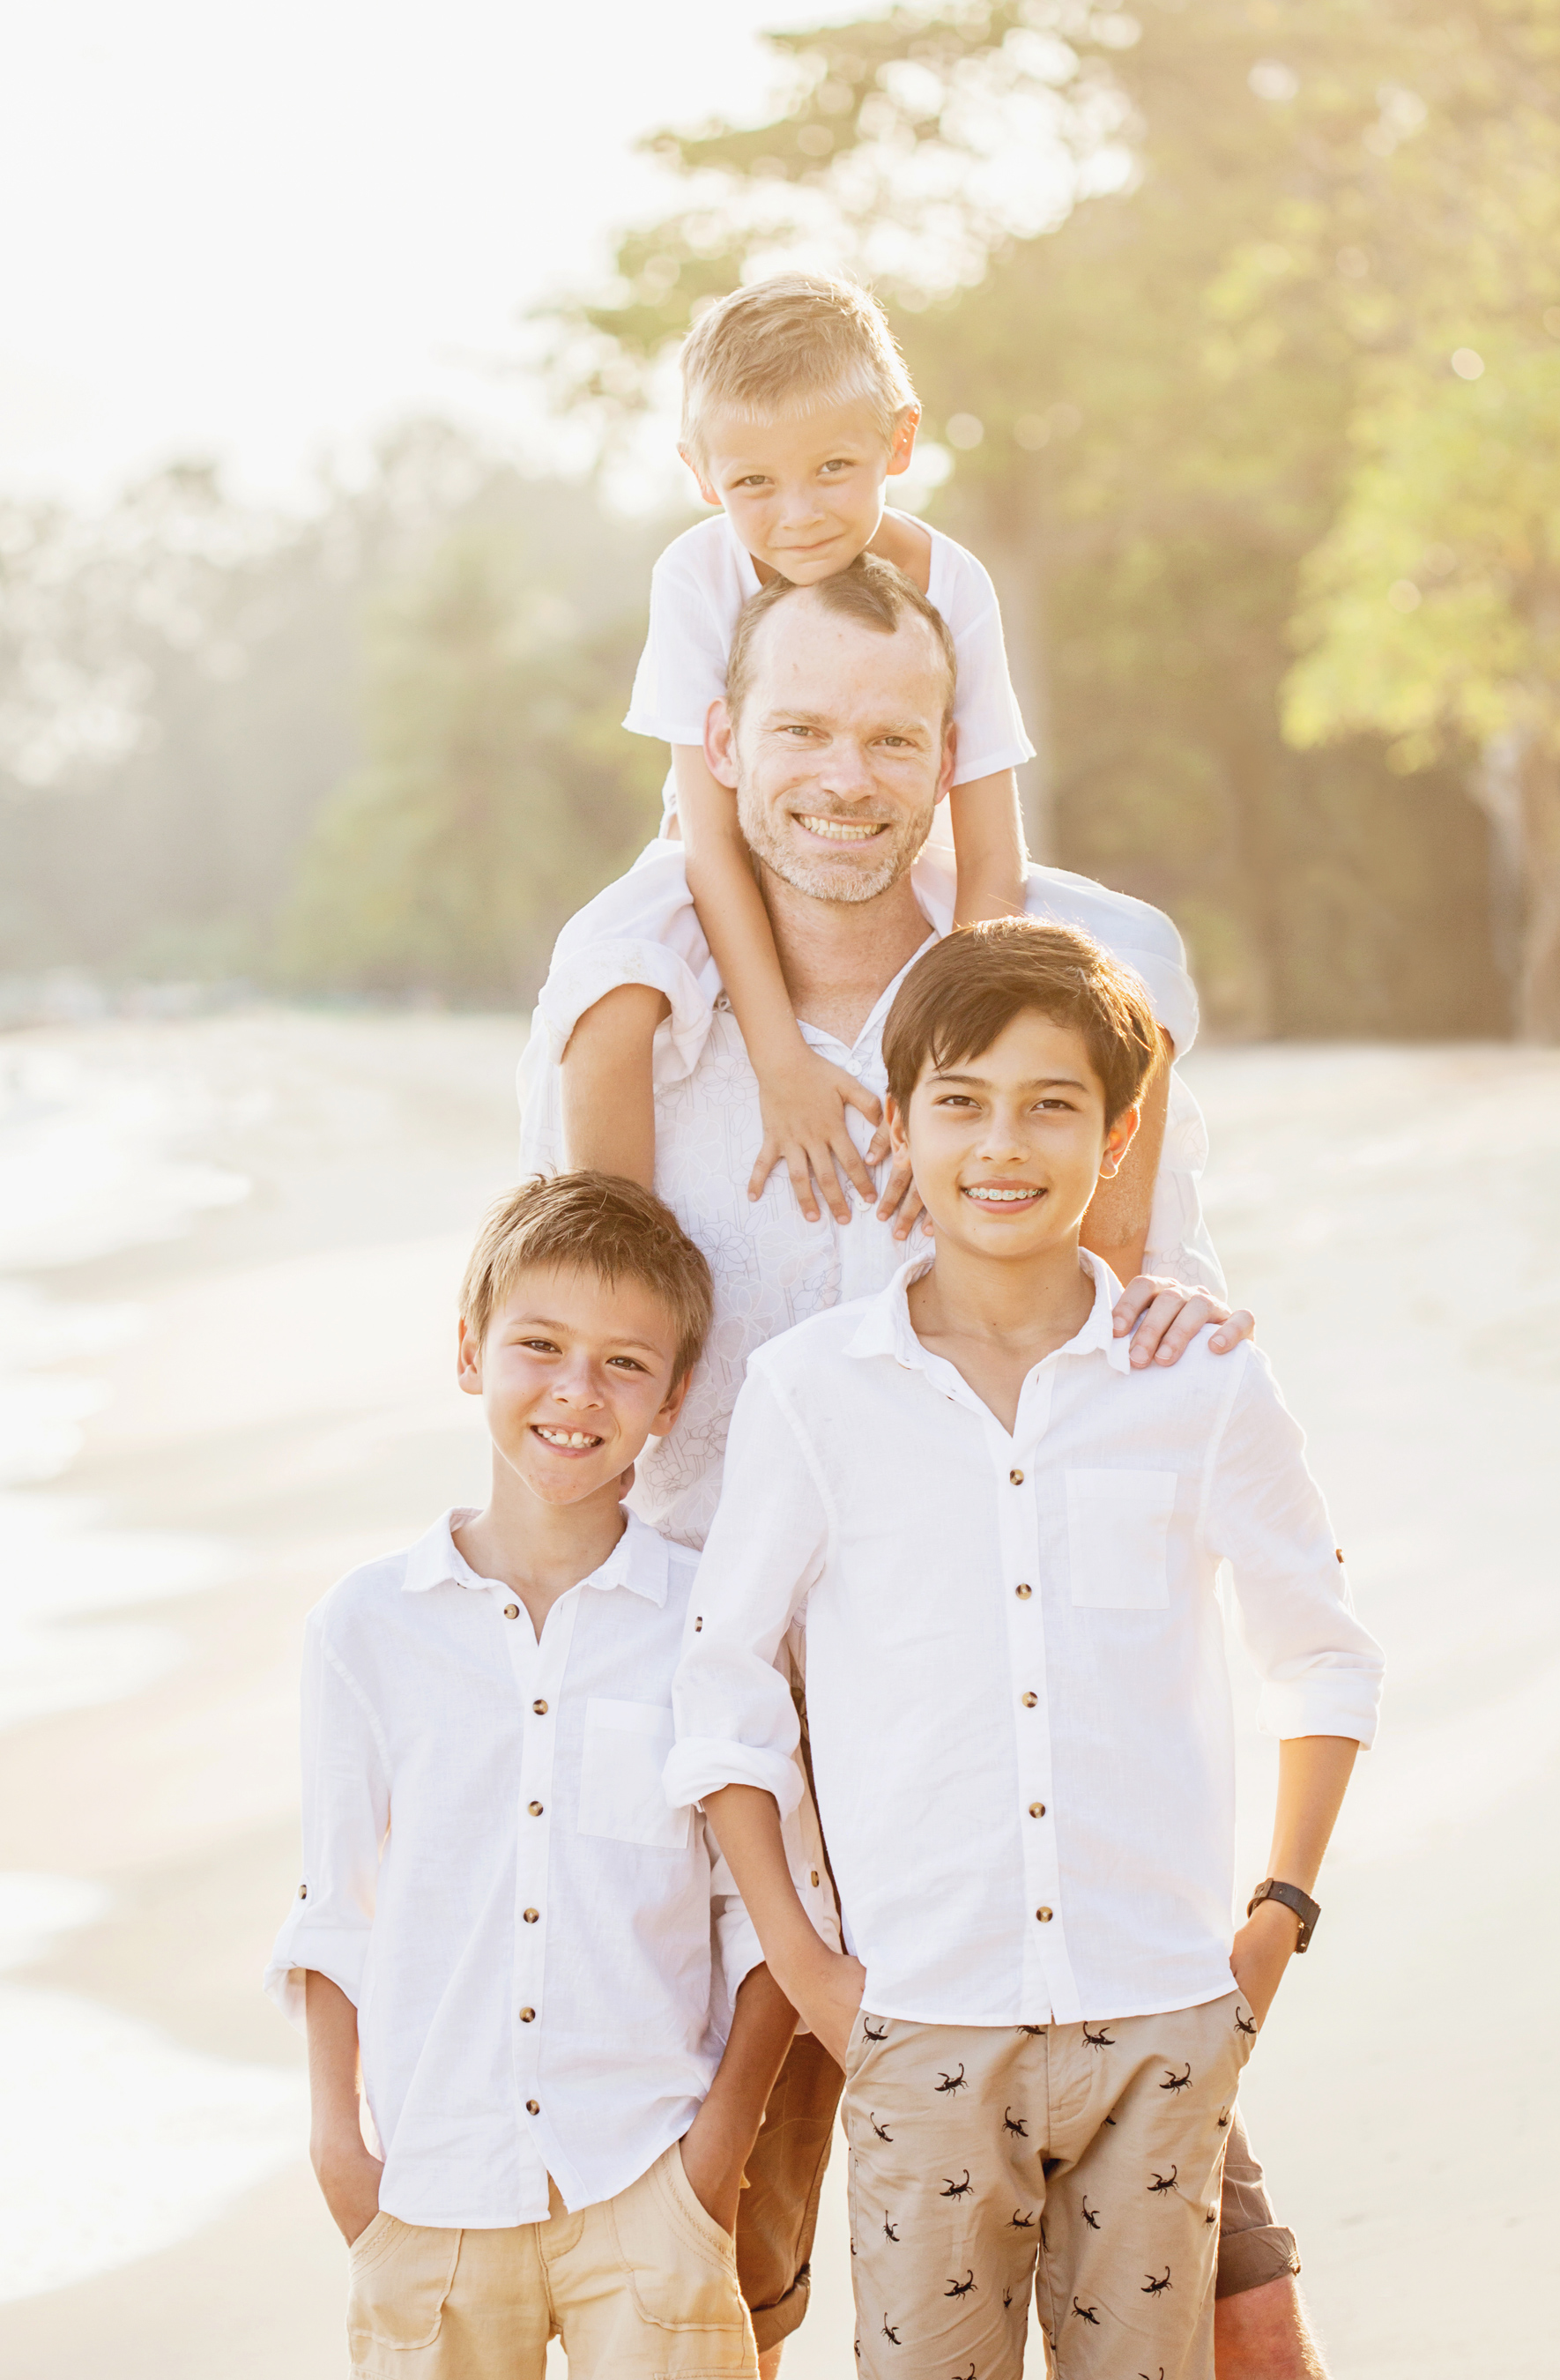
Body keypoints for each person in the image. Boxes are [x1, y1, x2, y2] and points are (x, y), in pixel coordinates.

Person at [517, 556, 1324, 2376]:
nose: (843, 775)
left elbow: (1145, 1297)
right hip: (734, 1761)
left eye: (894, 736)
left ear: (952, 748)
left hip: (1021, 1766)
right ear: (720, 743)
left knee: (1235, 2311)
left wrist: (1184, 1314)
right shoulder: (645, 983)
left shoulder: (1078, 970)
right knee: (733, 2266)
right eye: (798, 727)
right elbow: (573, 1339)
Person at [669, 918, 1385, 2380]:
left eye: (1052, 1105)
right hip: (920, 2021)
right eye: (964, 1101)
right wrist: (809, 1969)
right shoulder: (816, 1395)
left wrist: (1271, 1928)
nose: (1005, 1144)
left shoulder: (1196, 1380)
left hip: (1163, 2017)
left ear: (1117, 1137)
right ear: (902, 1128)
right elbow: (723, 1686)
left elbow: (1324, 1653)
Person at [264, 1173, 827, 2379]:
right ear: (469, 1353)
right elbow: (332, 1907)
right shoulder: (365, 1626)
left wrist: (713, 2157)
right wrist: (338, 2152)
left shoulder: (710, 1626)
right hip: (431, 2184)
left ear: (675, 1398)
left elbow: (767, 1913)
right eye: (540, 1347)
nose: (577, 1392)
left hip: (646, 2172)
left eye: (626, 1364)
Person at [571, 270, 1035, 1221]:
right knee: (608, 977)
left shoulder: (954, 583)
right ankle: (605, 1255)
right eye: (753, 484)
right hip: (717, 856)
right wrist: (781, 1063)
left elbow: (991, 852)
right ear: (703, 477)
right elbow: (707, 839)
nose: (800, 516)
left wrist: (948, 1060)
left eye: (833, 468)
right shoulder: (696, 573)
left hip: (890, 840)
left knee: (1124, 955)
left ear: (897, 441)